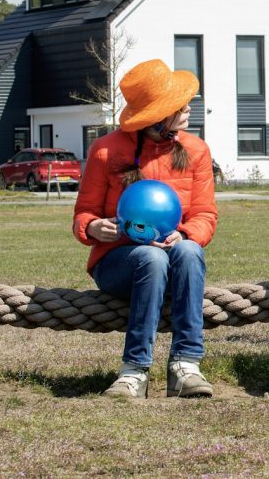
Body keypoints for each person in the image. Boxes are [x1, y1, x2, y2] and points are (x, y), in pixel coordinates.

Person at [73, 58, 218, 398]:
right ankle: (134, 372)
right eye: (179, 104)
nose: (187, 108)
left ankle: (186, 366)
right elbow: (84, 213)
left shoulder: (196, 151)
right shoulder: (105, 150)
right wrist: (94, 227)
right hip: (118, 262)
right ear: (157, 114)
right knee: (149, 260)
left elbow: (205, 215)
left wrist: (185, 234)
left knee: (190, 249)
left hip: (176, 260)